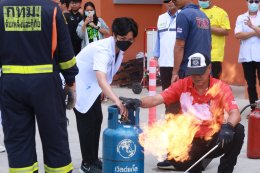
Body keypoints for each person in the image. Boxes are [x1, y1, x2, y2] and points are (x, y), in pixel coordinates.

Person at [124, 53, 245, 173]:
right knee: (180, 159)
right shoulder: (182, 85)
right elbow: (157, 99)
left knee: (237, 130)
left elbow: (235, 113)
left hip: (214, 139)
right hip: (188, 140)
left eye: (200, 72)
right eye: (193, 73)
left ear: (209, 69)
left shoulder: (220, 87)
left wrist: (228, 127)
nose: (197, 77)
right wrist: (138, 102)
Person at [0, 1, 78, 172]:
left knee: (18, 140)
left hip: (11, 84)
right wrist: (71, 83)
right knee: (55, 138)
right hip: (46, 85)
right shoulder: (52, 10)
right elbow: (66, 54)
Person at [74, 17, 138, 173]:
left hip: (92, 86)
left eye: (130, 39)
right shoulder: (103, 49)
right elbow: (101, 78)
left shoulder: (118, 49)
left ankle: (94, 160)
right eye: (123, 38)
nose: (126, 42)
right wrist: (116, 100)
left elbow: (105, 74)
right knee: (87, 123)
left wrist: (102, 90)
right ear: (114, 35)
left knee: (96, 119)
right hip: (79, 86)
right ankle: (87, 163)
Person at [171, 0, 211, 82]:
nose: (173, 1)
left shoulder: (183, 15)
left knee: (186, 94)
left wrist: (175, 73)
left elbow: (179, 45)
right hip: (204, 68)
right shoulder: (203, 15)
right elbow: (209, 44)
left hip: (189, 69)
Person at [153, 0, 179, 113]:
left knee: (180, 95)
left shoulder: (183, 16)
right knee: (167, 94)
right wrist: (156, 57)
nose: (170, 2)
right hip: (164, 63)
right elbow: (158, 39)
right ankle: (169, 119)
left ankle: (181, 121)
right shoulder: (161, 18)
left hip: (179, 63)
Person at [235, 0, 260, 112]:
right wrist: (256, 31)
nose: (253, 3)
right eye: (251, 1)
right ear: (246, 2)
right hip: (246, 56)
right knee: (250, 84)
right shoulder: (241, 17)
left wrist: (251, 26)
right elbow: (238, 35)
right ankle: (253, 109)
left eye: (256, 1)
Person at [198, 0, 230, 79]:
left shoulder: (221, 12)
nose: (202, 1)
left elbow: (226, 31)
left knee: (214, 82)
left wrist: (208, 27)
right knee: (199, 81)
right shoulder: (196, 12)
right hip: (198, 53)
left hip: (214, 55)